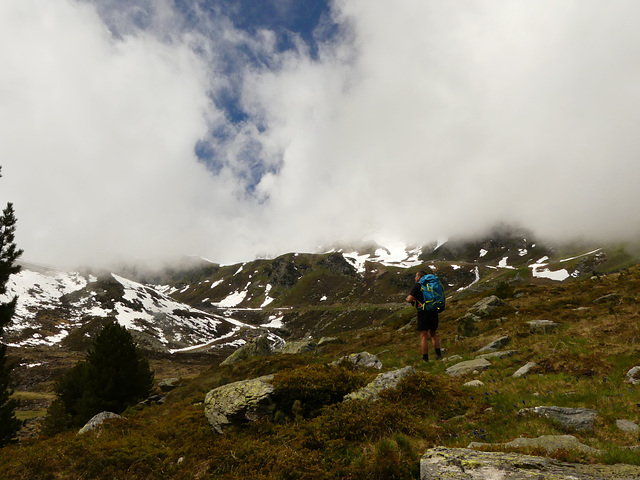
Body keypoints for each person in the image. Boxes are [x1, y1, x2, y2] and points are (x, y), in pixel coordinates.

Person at [406, 270, 442, 361]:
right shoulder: (433, 285)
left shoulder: (418, 285)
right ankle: (438, 355)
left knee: (423, 336)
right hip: (433, 311)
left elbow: (410, 299)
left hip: (423, 312)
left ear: (419, 276)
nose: (415, 278)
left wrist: (409, 299)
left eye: (416, 276)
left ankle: (425, 358)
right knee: (433, 334)